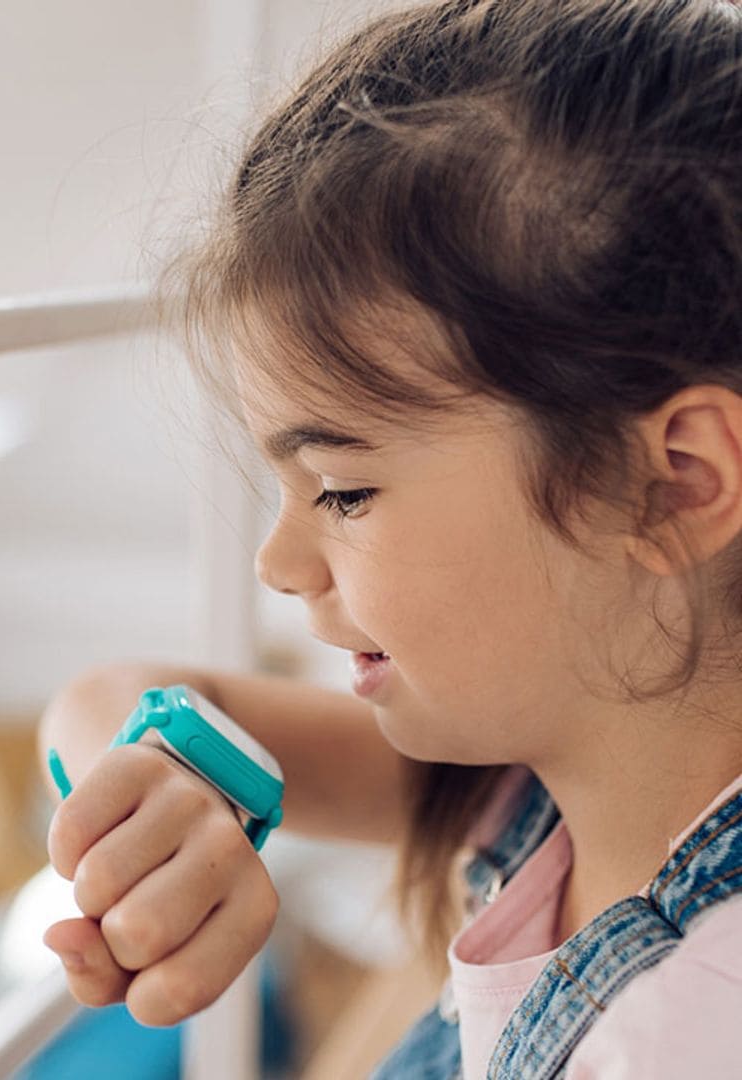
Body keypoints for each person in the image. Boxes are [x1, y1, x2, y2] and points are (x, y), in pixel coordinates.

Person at [40, 0, 742, 1075]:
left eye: (343, 490)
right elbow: (99, 699)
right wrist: (164, 788)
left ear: (672, 485)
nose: (277, 567)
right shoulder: (554, 761)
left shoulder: (691, 1025)